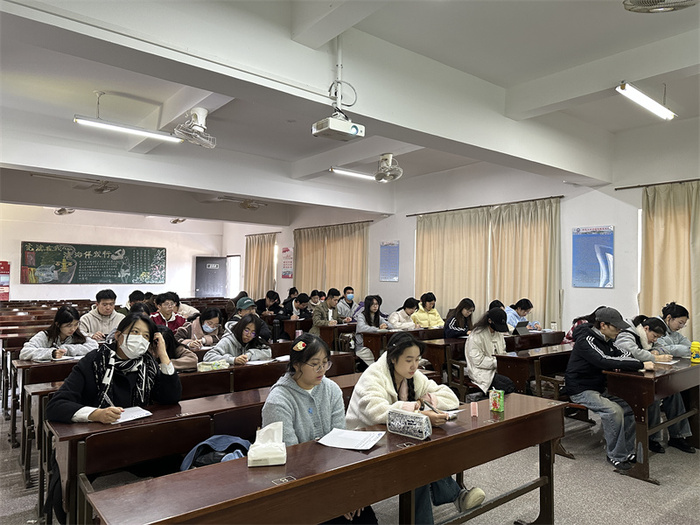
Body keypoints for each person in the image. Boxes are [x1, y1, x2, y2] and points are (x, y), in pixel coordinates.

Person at [346, 332, 485, 523]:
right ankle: (456, 495)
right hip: (364, 446)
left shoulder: (412, 376)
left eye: (417, 359)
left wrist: (423, 402)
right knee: (417, 463)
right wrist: (419, 412)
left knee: (420, 459)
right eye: (409, 360)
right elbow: (375, 412)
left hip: (394, 439)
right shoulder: (374, 376)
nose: (414, 365)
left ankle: (453, 497)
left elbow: (450, 398)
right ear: (393, 358)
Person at [262, 334, 378, 524]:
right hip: (298, 485)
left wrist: (348, 489)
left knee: (364, 516)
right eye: (315, 364)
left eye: (325, 363)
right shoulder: (278, 402)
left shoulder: (331, 389)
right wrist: (332, 496)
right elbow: (290, 461)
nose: (322, 369)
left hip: (332, 476)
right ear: (297, 365)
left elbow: (341, 444)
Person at [46, 313, 182, 424]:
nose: (140, 339)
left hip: (138, 431)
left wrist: (163, 355)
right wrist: (96, 414)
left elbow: (170, 398)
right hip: (99, 434)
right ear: (117, 335)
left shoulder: (148, 364)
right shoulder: (94, 361)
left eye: (146, 336)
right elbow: (56, 406)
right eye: (135, 332)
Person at [564, 307, 653, 470]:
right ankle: (616, 456)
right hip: (580, 389)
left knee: (631, 407)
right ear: (603, 325)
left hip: (599, 387)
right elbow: (603, 360)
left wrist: (635, 361)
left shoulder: (607, 340)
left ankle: (627, 450)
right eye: (616, 327)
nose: (619, 331)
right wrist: (640, 364)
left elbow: (623, 354)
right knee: (614, 411)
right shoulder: (586, 340)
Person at [615, 315, 695, 454]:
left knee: (673, 392)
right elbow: (632, 352)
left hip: (644, 375)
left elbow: (664, 348)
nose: (655, 340)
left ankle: (678, 436)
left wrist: (656, 351)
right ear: (646, 329)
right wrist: (654, 357)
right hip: (625, 379)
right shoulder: (627, 334)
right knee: (653, 395)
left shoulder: (649, 337)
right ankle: (653, 438)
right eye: (654, 336)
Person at [464, 308, 515, 394]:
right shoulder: (477, 335)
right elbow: (477, 361)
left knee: (518, 379)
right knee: (508, 385)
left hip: (498, 368)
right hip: (481, 370)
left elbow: (503, 351)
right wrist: (497, 362)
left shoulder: (498, 333)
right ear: (489, 321)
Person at [20, 306, 98, 361]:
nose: (73, 329)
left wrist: (67, 349)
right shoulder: (45, 336)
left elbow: (94, 346)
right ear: (58, 324)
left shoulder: (77, 334)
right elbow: (25, 352)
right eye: (69, 325)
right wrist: (52, 353)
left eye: (76, 324)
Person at [203, 313, 271, 365]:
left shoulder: (254, 339)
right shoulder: (227, 340)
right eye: (246, 330)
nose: (249, 335)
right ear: (240, 328)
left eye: (253, 332)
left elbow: (268, 352)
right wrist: (233, 360)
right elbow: (208, 357)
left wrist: (249, 354)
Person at [355, 295, 393, 367]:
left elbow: (391, 326)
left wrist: (386, 326)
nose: (375, 306)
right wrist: (378, 329)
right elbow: (361, 328)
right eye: (373, 304)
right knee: (374, 357)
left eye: (377, 304)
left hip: (376, 345)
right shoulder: (361, 316)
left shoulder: (377, 316)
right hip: (363, 347)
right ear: (368, 305)